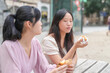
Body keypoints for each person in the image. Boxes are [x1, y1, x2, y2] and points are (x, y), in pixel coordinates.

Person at [0, 6, 68, 73]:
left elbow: (44, 69)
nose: (41, 23)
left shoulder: (35, 43)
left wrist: (60, 68)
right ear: (29, 24)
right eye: (39, 20)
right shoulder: (8, 47)